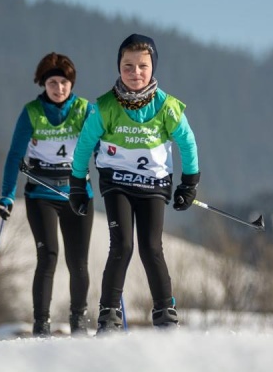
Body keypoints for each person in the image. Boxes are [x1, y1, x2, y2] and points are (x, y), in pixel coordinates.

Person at [68, 33, 200, 334]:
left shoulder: (167, 108)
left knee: (151, 247)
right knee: (122, 245)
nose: (135, 72)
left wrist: (189, 182)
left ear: (153, 67)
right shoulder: (105, 107)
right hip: (117, 184)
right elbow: (85, 145)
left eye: (142, 65)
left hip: (153, 185)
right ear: (119, 67)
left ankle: (166, 317)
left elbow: (188, 143)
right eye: (128, 66)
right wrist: (77, 183)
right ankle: (109, 316)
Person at [0, 52, 95, 337]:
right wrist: (7, 195)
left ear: (71, 83)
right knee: (48, 256)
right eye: (52, 82)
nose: (59, 88)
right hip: (41, 194)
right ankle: (41, 325)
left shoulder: (85, 110)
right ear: (43, 83)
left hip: (77, 195)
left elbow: (101, 148)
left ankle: (79, 322)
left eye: (64, 82)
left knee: (78, 262)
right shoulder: (31, 112)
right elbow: (15, 154)